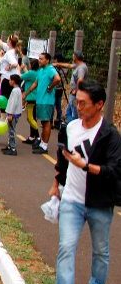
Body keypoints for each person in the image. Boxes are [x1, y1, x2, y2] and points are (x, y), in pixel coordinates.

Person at [51, 80, 121, 284]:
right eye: (77, 102)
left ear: (99, 104)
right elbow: (62, 160)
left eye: (83, 103)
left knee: (100, 252)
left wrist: (85, 166)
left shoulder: (110, 135)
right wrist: (56, 184)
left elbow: (115, 170)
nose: (77, 107)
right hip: (71, 200)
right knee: (66, 248)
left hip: (99, 203)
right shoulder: (71, 127)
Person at [23, 52, 60, 154]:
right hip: (40, 100)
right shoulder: (40, 71)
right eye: (39, 58)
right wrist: (26, 93)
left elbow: (57, 79)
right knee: (43, 123)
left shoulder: (50, 69)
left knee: (46, 122)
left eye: (41, 59)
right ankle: (42, 144)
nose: (39, 60)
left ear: (47, 60)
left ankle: (44, 145)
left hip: (46, 101)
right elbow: (35, 83)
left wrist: (50, 87)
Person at [54, 51, 88, 123]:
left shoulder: (81, 68)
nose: (72, 57)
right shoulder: (78, 65)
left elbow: (80, 80)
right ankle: (68, 125)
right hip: (73, 93)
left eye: (73, 56)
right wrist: (57, 64)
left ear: (76, 57)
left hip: (75, 93)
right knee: (68, 111)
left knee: (74, 111)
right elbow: (69, 66)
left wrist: (76, 90)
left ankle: (74, 126)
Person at [2, 74, 24, 156]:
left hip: (13, 114)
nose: (9, 81)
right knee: (10, 130)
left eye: (10, 80)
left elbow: (13, 103)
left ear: (13, 81)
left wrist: (10, 114)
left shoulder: (15, 91)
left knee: (11, 131)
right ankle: (9, 146)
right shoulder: (17, 90)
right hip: (14, 113)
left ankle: (13, 148)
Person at [21, 58, 41, 146]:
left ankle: (37, 137)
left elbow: (20, 77)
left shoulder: (31, 73)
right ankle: (32, 136)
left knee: (30, 118)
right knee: (32, 117)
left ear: (31, 65)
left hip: (31, 97)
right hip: (36, 97)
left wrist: (19, 68)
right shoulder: (38, 72)